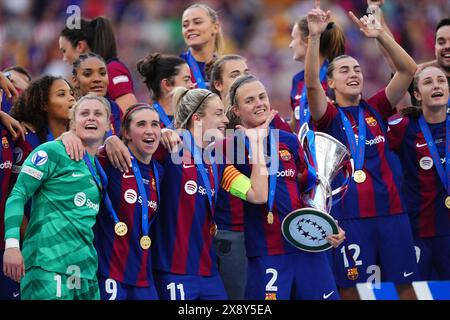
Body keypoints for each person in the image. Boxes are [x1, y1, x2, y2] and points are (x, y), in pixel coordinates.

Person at [304, 1, 419, 299]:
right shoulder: (327, 117)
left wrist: (380, 35)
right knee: (352, 289)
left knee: (405, 286)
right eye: (344, 70)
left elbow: (408, 70)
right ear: (331, 83)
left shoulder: (376, 107)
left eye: (356, 68)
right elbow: (312, 87)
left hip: (392, 213)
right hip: (348, 217)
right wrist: (315, 37)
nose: (353, 73)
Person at [223, 74, 344, 300]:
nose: (259, 103)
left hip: (307, 245)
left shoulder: (288, 140)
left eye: (262, 97)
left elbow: (307, 192)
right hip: (267, 251)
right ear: (236, 111)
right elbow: (251, 195)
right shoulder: (231, 146)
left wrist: (326, 223)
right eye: (249, 100)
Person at [152, 87, 270, 300]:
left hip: (209, 271)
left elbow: (258, 195)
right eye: (218, 113)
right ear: (197, 119)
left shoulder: (217, 161)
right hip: (173, 270)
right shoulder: (169, 149)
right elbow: (133, 144)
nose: (226, 120)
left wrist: (257, 144)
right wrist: (161, 133)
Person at [3, 94, 111, 300]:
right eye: (84, 113)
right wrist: (12, 246)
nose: (91, 118)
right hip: (47, 265)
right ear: (73, 122)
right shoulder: (52, 151)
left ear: (108, 124)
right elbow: (17, 195)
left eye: (98, 114)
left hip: (85, 271)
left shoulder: (99, 167)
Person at [95, 103, 164, 300]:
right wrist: (107, 139)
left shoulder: (160, 171)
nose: (150, 130)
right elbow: (83, 149)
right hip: (109, 273)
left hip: (143, 276)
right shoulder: (109, 160)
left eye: (155, 124)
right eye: (141, 124)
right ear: (125, 132)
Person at [388, 66, 450, 280]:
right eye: (428, 82)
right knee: (415, 292)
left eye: (441, 80)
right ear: (416, 94)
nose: (436, 86)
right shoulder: (403, 127)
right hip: (418, 232)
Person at [59, 16, 138, 112]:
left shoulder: (113, 69)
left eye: (64, 51)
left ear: (80, 46)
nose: (64, 59)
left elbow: (129, 113)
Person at [288, 14, 345, 133]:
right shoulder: (297, 80)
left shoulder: (337, 75)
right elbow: (294, 126)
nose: (290, 45)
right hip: (306, 150)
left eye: (294, 38)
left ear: (307, 41)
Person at [137, 52, 195, 129]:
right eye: (186, 80)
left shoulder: (195, 118)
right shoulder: (146, 123)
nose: (192, 85)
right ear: (167, 84)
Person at [71, 53, 122, 136]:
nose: (97, 79)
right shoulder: (67, 110)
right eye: (88, 74)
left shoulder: (114, 108)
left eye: (102, 73)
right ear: (75, 81)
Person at [180, 3, 224, 89]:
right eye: (185, 25)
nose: (190, 28)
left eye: (197, 22)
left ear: (215, 28)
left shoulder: (225, 69)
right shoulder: (176, 68)